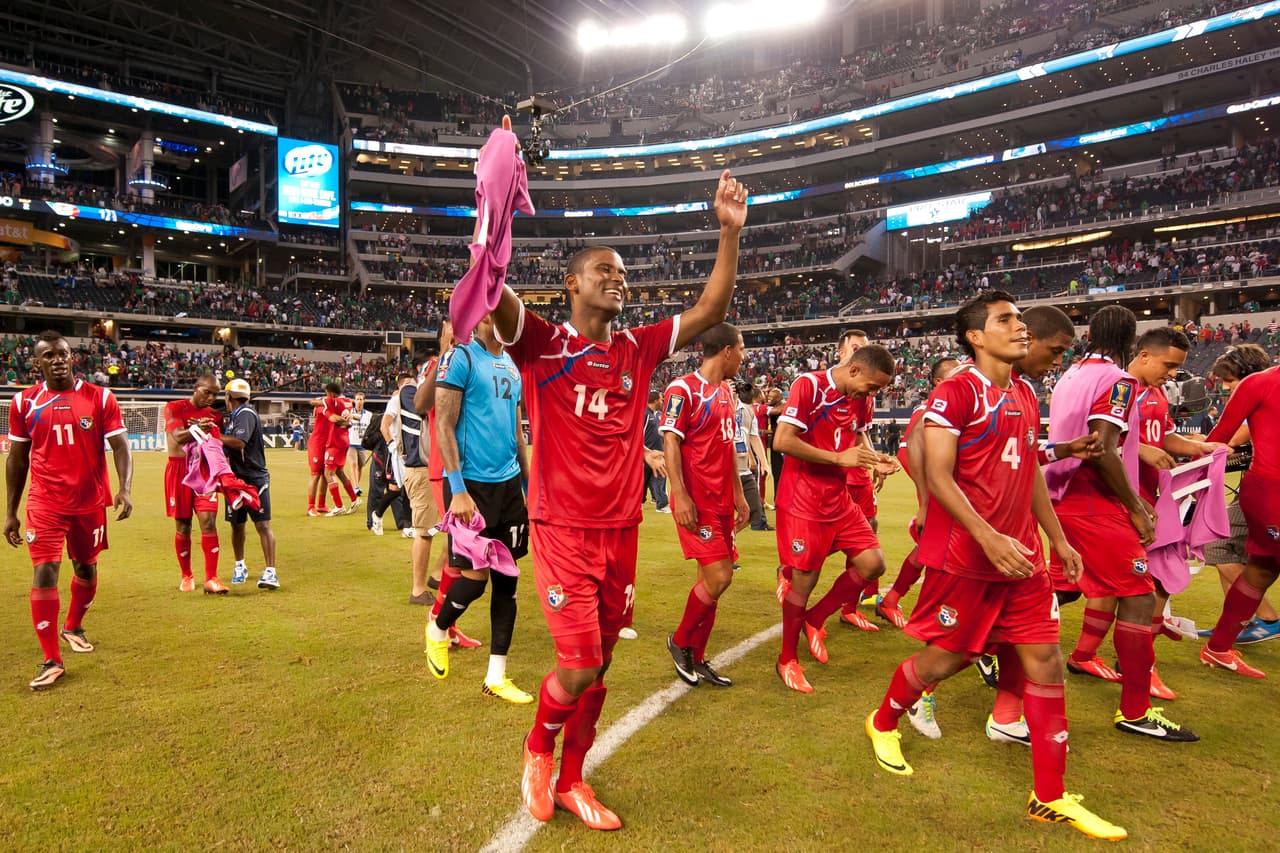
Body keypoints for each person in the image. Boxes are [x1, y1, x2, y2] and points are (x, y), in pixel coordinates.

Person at [503, 158, 748, 831]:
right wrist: (493, 220)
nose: (617, 278)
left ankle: (576, 776)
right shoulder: (542, 344)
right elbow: (498, 300)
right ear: (571, 283)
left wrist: (728, 233)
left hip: (622, 528)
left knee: (603, 659)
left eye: (623, 272)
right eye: (603, 270)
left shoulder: (638, 348)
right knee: (578, 663)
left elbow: (710, 310)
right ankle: (537, 749)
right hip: (560, 527)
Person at [864, 293, 1127, 841]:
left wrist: (1055, 538)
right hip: (969, 558)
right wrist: (987, 535)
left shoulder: (1026, 392)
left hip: (1023, 560)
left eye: (1021, 319)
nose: (1021, 327)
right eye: (1005, 320)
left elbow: (1029, 467)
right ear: (976, 336)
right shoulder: (954, 392)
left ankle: (1049, 797)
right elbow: (938, 475)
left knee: (1046, 661)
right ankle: (884, 720)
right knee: (943, 661)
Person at [1045, 306, 1197, 741]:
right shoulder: (1119, 381)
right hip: (1094, 499)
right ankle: (1135, 709)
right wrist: (1133, 505)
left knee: (1060, 589)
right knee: (1138, 597)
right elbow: (1102, 448)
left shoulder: (1072, 374)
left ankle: (989, 646)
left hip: (1063, 495)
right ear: (1133, 343)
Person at [4, 330, 133, 690]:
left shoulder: (100, 397)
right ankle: (50, 660)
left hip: (90, 502)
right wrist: (11, 511)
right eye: (48, 355)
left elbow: (121, 446)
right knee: (44, 571)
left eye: (62, 353)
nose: (57, 359)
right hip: (45, 502)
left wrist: (124, 488)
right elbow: (16, 459)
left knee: (86, 568)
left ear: (72, 357)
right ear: (37, 363)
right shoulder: (23, 403)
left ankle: (73, 626)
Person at [772, 344, 898, 693]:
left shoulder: (864, 398)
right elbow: (783, 440)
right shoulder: (809, 386)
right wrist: (837, 459)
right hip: (803, 499)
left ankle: (816, 617)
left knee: (873, 563)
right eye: (872, 387)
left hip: (838, 499)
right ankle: (787, 659)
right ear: (854, 370)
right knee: (804, 580)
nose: (873, 394)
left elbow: (858, 436)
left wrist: (876, 460)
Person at [424, 313, 532, 704]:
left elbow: (517, 429)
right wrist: (458, 490)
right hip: (472, 488)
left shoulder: (512, 365)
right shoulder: (461, 357)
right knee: (474, 580)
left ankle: (496, 676)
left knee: (509, 584)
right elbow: (444, 425)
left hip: (508, 489)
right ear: (483, 315)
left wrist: (527, 483)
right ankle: (437, 629)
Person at [1121, 327, 1224, 697]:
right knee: (1118, 588)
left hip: (1150, 499)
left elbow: (1163, 436)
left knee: (1153, 583)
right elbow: (1098, 443)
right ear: (1144, 355)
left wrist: (1199, 448)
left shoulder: (1157, 392)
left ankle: (1133, 660)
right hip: (1117, 501)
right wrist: (1138, 451)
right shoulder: (1118, 388)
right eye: (1168, 365)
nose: (1172, 374)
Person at [662, 323, 750, 688]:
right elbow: (671, 440)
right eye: (741, 349)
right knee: (720, 576)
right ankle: (680, 641)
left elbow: (727, 445)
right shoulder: (683, 389)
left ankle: (697, 657)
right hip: (697, 501)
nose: (743, 357)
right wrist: (679, 493)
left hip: (723, 500)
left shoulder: (726, 393)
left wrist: (741, 495)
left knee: (711, 583)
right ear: (726, 350)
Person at [1200, 345, 1280, 677]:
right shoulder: (1260, 383)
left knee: (1262, 569)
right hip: (1271, 492)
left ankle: (1218, 648)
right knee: (1259, 566)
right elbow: (1219, 437)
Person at [164, 374, 228, 594]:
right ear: (195, 388)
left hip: (204, 471)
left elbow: (217, 445)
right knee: (183, 525)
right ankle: (186, 575)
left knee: (209, 522)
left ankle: (212, 578)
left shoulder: (214, 416)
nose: (210, 397)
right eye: (206, 392)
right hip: (179, 470)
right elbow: (178, 438)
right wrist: (196, 428)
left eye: (215, 394)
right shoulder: (174, 408)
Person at [384, 355, 440, 603]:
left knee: (463, 525)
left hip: (440, 468)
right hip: (420, 468)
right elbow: (422, 407)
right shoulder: (409, 392)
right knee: (424, 530)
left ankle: (437, 574)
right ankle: (417, 589)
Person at [218, 379, 279, 590]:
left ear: (228, 397)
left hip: (253, 479)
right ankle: (240, 565)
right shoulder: (235, 417)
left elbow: (239, 443)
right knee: (237, 524)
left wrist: (214, 436)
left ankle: (271, 572)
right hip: (235, 479)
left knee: (262, 524)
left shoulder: (245, 414)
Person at [734, 380, 771, 531]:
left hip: (743, 470)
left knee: (752, 511)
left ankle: (728, 537)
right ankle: (719, 543)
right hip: (723, 471)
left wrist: (764, 462)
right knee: (718, 513)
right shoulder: (717, 408)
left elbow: (754, 437)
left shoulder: (748, 411)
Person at [320, 381, 360, 515]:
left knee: (328, 474)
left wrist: (339, 420)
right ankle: (354, 499)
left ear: (330, 393)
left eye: (326, 392)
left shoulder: (331, 401)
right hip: (344, 440)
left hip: (335, 441)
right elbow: (350, 419)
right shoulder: (346, 402)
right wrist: (347, 422)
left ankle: (339, 506)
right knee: (339, 472)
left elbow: (331, 417)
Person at [643, 391, 670, 513]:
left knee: (661, 478)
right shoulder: (645, 414)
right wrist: (644, 451)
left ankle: (661, 504)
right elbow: (639, 433)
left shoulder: (658, 414)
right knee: (642, 481)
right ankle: (640, 502)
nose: (662, 401)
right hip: (646, 454)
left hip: (658, 454)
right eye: (661, 399)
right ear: (655, 401)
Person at [306, 402, 332, 516]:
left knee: (326, 474)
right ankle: (311, 507)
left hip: (327, 444)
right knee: (315, 474)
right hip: (317, 444)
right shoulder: (322, 407)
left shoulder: (333, 406)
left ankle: (321, 505)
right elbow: (332, 417)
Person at [345, 391, 373, 490]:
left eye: (361, 399)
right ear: (354, 401)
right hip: (351, 443)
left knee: (360, 466)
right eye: (357, 399)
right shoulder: (348, 413)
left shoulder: (369, 415)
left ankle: (356, 485)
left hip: (362, 444)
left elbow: (371, 429)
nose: (359, 401)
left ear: (364, 401)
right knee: (353, 464)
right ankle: (356, 487)